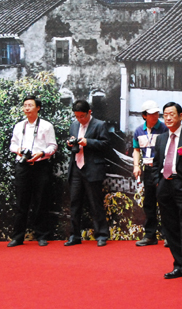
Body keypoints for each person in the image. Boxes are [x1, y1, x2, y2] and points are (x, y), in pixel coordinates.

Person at [151, 102, 182, 284]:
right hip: (164, 185)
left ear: (180, 116)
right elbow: (156, 163)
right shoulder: (161, 138)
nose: (168, 118)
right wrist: (157, 181)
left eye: (172, 114)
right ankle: (178, 264)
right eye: (165, 115)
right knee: (170, 227)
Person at [7, 96, 58, 247]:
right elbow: (12, 145)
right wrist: (19, 150)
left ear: (38, 108)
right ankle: (18, 237)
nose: (27, 108)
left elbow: (52, 146)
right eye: (25, 105)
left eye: (30, 105)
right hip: (22, 166)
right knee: (21, 202)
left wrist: (42, 153)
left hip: (40, 166)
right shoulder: (18, 126)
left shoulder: (47, 126)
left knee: (40, 201)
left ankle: (41, 236)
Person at [65, 100, 110, 247]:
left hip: (92, 168)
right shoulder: (73, 125)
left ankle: (101, 235)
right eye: (77, 116)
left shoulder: (100, 125)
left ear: (89, 112)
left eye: (82, 116)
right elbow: (72, 145)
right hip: (76, 168)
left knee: (95, 203)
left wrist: (88, 142)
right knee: (75, 204)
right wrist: (69, 144)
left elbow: (106, 145)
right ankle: (74, 236)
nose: (79, 119)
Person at [132, 100, 168, 246]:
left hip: (161, 170)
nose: (155, 116)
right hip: (147, 170)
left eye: (157, 113)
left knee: (165, 202)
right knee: (149, 203)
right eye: (152, 114)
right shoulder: (138, 131)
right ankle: (150, 235)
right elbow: (136, 150)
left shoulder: (165, 129)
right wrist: (136, 165)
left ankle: (168, 235)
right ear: (144, 115)